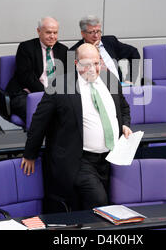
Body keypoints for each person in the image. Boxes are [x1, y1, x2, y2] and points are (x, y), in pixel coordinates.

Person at [21, 43, 132, 212]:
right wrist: (30, 154)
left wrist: (124, 125)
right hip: (78, 159)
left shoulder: (110, 79)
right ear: (76, 64)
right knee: (99, 200)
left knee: (98, 204)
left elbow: (123, 108)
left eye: (96, 63)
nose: (93, 69)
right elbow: (39, 121)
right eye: (87, 64)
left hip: (109, 159)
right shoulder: (61, 85)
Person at [6, 17, 68, 124]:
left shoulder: (65, 50)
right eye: (48, 32)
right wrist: (46, 94)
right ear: (39, 31)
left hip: (56, 95)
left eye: (55, 32)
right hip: (26, 93)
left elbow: (69, 78)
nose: (52, 36)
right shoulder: (25, 47)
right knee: (41, 114)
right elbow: (26, 77)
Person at [69, 15, 140, 83]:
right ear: (83, 33)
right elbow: (73, 79)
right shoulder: (74, 52)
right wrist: (93, 50)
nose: (96, 36)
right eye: (91, 32)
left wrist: (130, 79)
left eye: (98, 31)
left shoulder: (110, 42)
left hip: (119, 90)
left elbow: (134, 53)